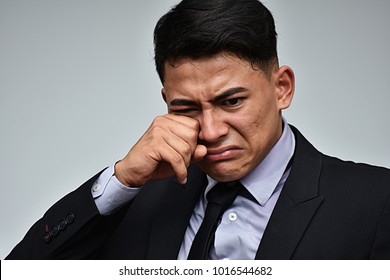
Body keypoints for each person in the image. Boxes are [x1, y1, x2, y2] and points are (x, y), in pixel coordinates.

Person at [6, 0, 390, 260]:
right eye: (186, 108)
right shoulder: (136, 200)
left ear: (282, 88)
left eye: (232, 101)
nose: (209, 130)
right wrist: (122, 180)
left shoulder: (376, 202)